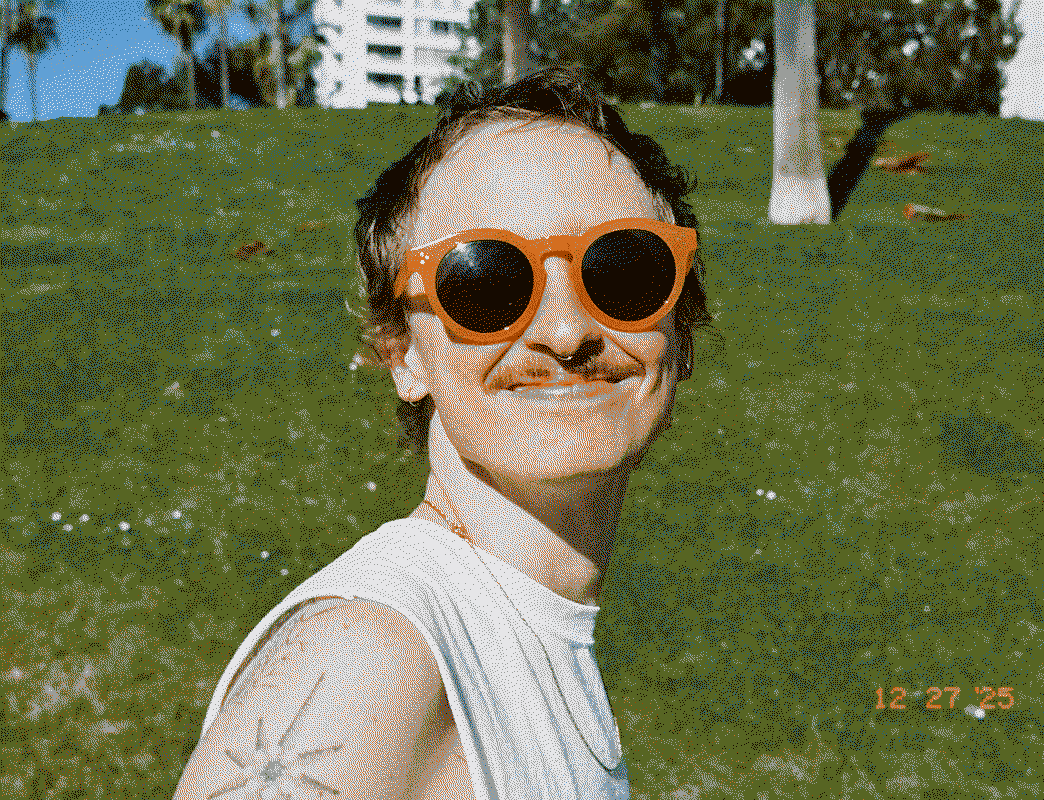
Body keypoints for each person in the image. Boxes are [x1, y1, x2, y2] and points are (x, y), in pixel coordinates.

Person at [173, 66, 718, 800]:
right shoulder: (369, 660)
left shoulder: (528, 633)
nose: (565, 332)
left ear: (679, 333)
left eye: (624, 268)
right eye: (487, 282)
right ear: (402, 353)